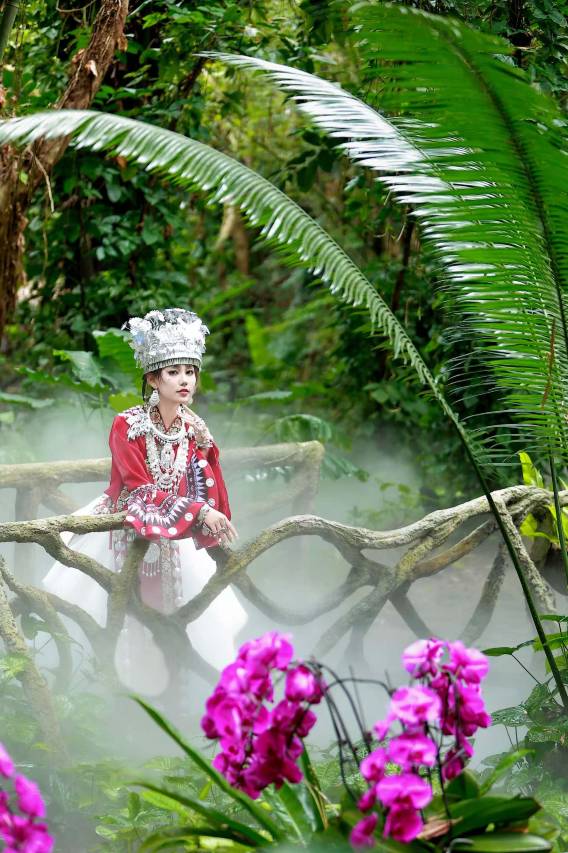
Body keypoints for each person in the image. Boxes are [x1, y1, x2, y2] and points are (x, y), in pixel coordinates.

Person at [43, 308, 248, 695]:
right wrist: (200, 510)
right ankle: (116, 701)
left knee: (180, 613)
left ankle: (172, 698)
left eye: (190, 371)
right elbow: (138, 487)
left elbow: (203, 480)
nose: (185, 380)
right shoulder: (128, 424)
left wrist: (208, 510)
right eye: (174, 372)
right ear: (153, 378)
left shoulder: (195, 427)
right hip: (122, 525)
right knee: (120, 615)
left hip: (174, 528)